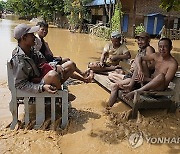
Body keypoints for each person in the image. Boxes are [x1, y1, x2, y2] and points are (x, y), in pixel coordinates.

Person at [11, 23, 82, 94]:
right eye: (32, 35)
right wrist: (41, 87)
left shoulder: (32, 50)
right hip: (35, 84)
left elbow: (44, 63)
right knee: (53, 75)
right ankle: (60, 94)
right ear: (24, 38)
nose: (34, 37)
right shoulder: (18, 58)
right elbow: (20, 84)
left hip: (41, 76)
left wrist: (55, 66)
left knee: (71, 65)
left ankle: (57, 89)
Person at [107, 32, 155, 107]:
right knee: (110, 76)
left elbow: (152, 66)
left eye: (142, 39)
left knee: (115, 86)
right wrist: (134, 62)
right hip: (132, 75)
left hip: (140, 78)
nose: (140, 42)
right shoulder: (140, 50)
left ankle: (108, 108)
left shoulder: (149, 49)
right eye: (138, 40)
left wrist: (139, 67)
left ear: (148, 40)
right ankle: (124, 84)